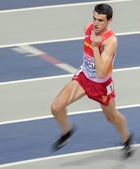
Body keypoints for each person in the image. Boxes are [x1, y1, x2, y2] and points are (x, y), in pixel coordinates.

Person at [50, 3, 134, 158]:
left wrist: (96, 46)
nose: (96, 23)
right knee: (56, 108)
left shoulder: (111, 41)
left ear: (110, 21)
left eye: (101, 20)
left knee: (112, 118)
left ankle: (127, 139)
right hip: (84, 77)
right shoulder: (88, 28)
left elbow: (102, 72)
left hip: (101, 84)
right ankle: (67, 130)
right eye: (94, 18)